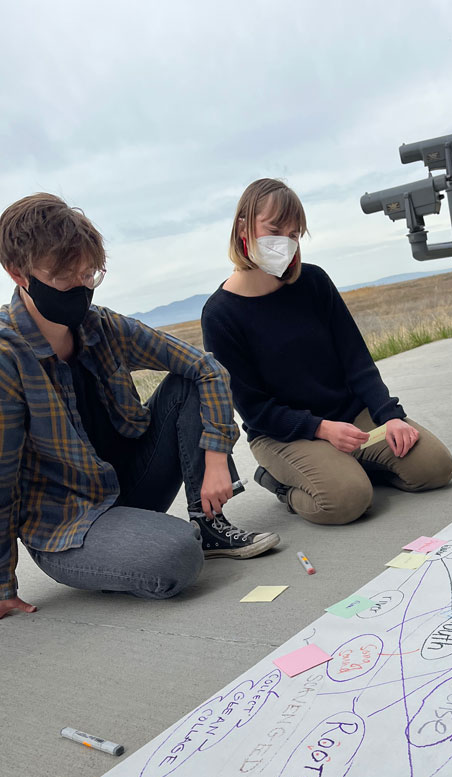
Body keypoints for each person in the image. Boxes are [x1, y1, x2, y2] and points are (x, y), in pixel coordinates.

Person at [0, 193, 280, 620]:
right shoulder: (8, 356)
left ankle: (207, 525)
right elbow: (1, 479)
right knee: (175, 557)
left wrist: (218, 457)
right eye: (63, 276)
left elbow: (207, 369)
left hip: (128, 483)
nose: (80, 287)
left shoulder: (103, 326)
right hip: (70, 525)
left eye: (89, 273)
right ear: (18, 273)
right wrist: (3, 584)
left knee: (186, 383)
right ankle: (171, 541)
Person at [201, 178, 452, 525]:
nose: (285, 243)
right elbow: (255, 410)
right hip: (284, 434)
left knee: (436, 468)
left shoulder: (314, 282)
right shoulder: (220, 315)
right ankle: (281, 485)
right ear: (243, 226)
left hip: (351, 417)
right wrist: (321, 429)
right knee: (347, 500)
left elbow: (357, 362)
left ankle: (354, 466)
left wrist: (390, 415)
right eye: (274, 229)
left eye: (293, 234)